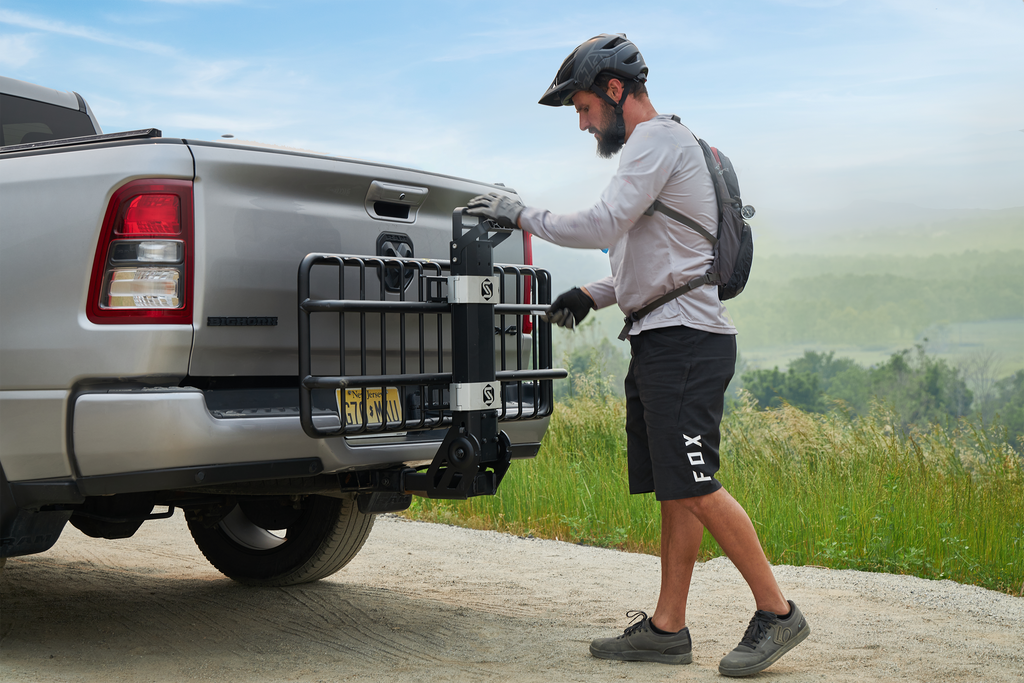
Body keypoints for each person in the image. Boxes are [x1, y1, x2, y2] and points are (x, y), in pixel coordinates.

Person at [466, 34, 809, 677]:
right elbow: (655, 262)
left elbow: (599, 226)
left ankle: (778, 612)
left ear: (617, 90)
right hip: (667, 337)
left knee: (697, 483)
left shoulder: (656, 141)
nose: (582, 120)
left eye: (584, 106)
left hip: (684, 343)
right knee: (678, 491)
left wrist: (519, 214)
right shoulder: (668, 147)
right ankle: (667, 628)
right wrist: (592, 295)